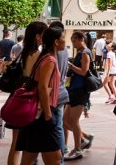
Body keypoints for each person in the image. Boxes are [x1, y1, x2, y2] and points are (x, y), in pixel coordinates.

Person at [17, 26, 65, 165]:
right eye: (62, 38)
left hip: (37, 113)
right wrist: (49, 115)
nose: (64, 41)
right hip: (44, 112)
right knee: (54, 157)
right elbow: (43, 87)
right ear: (56, 42)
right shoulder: (50, 60)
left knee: (30, 155)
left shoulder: (44, 57)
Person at [7, 21, 47, 165]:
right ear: (38, 36)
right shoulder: (37, 54)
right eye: (44, 33)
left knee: (15, 143)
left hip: (17, 97)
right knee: (26, 144)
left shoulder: (23, 51)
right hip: (28, 100)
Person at [64, 31, 93, 161]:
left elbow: (84, 72)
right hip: (73, 90)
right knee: (65, 121)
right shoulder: (81, 52)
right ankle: (84, 139)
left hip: (80, 91)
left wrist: (71, 66)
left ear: (81, 39)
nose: (73, 44)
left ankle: (78, 148)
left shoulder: (86, 53)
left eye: (75, 41)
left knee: (74, 121)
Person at [49, 21, 71, 164]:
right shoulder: (65, 51)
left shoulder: (53, 52)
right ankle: (60, 157)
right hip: (62, 91)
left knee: (56, 128)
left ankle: (59, 159)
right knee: (59, 128)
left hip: (54, 94)